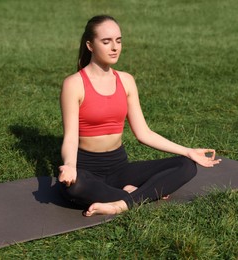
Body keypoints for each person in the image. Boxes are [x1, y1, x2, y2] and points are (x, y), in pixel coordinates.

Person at [58, 15, 221, 217]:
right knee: (74, 187)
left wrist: (188, 151)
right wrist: (70, 166)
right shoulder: (74, 84)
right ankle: (139, 194)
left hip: (119, 168)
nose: (115, 47)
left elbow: (144, 133)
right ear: (90, 45)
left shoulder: (126, 81)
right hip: (87, 170)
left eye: (118, 41)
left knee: (186, 166)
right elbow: (71, 138)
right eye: (106, 42)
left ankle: (121, 203)